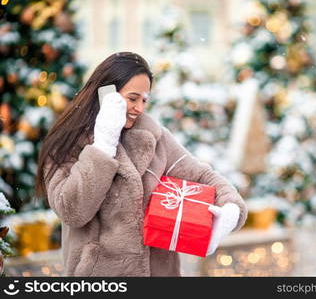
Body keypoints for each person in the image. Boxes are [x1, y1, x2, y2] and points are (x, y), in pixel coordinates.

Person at [35, 52, 247, 277]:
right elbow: (73, 211)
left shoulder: (154, 136)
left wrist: (230, 208)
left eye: (144, 100)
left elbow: (202, 176)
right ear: (106, 93)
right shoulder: (69, 142)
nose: (139, 108)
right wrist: (103, 144)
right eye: (132, 98)